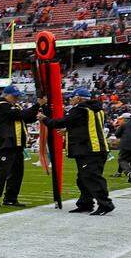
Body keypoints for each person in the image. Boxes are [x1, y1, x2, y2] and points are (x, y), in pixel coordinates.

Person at [40, 87, 113, 215]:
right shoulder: (98, 109)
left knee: (91, 178)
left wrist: (44, 118)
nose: (70, 100)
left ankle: (105, 204)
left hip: (89, 150)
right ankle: (86, 203)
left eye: (72, 97)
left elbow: (60, 122)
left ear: (78, 98)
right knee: (83, 178)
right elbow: (87, 125)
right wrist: (69, 130)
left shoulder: (80, 109)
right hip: (97, 148)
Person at [0, 86, 41, 206]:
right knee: (2, 172)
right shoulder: (1, 105)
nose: (17, 98)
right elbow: (20, 115)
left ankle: (11, 198)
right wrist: (37, 105)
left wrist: (39, 110)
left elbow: (27, 117)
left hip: (17, 144)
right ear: (6, 95)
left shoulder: (13, 106)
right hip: (6, 144)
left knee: (17, 173)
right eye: (14, 96)